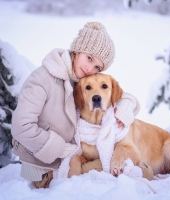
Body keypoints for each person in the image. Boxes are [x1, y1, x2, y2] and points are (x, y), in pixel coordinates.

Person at [11, 22, 152, 189]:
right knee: (135, 169)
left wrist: (127, 105)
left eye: (97, 67)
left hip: (72, 158)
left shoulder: (78, 80)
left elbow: (108, 90)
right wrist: (60, 149)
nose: (89, 68)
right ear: (77, 50)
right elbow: (21, 128)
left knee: (126, 161)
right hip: (46, 168)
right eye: (89, 58)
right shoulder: (42, 79)